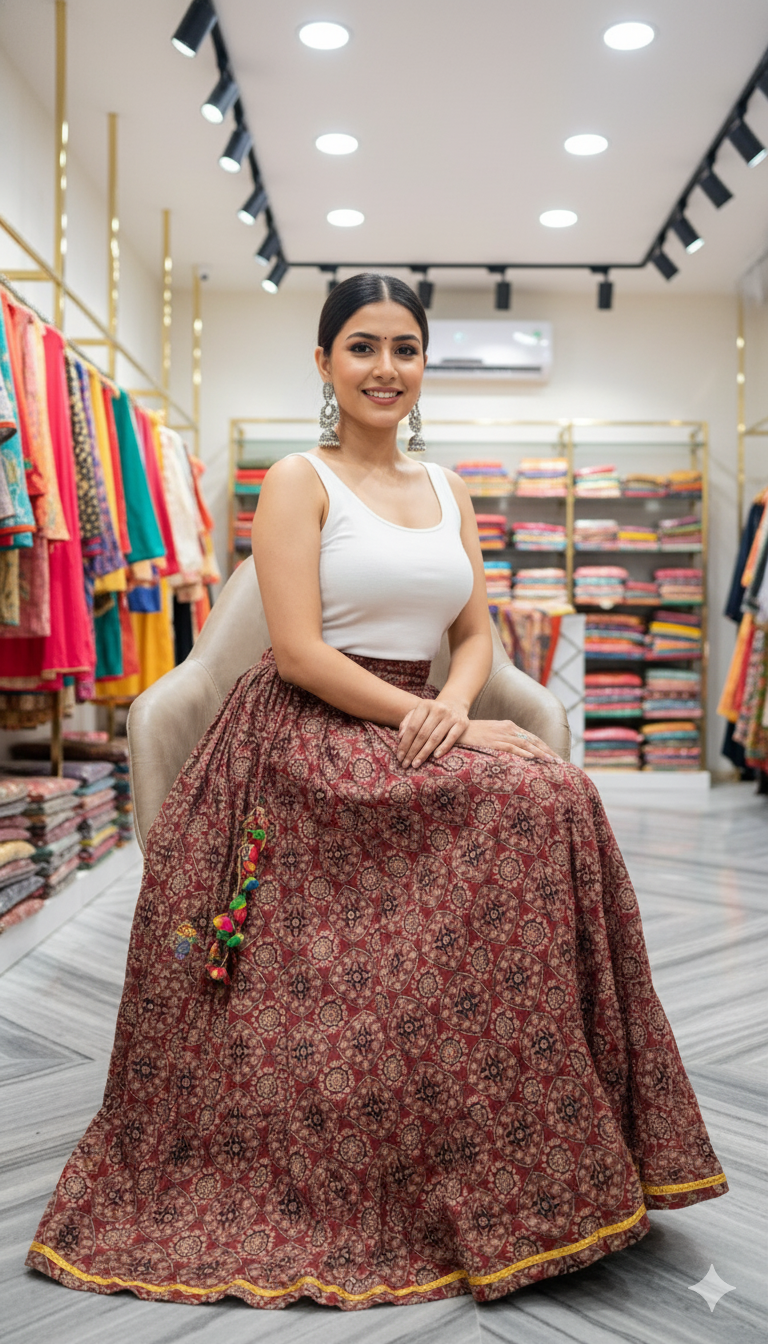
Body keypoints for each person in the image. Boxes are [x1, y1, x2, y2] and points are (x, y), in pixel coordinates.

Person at [27, 273, 726, 1312]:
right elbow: (301, 652)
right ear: (324, 363)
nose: (385, 367)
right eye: (362, 347)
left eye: (404, 348)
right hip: (310, 734)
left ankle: (529, 1134)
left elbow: (477, 629)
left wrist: (453, 702)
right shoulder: (299, 482)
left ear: (422, 365)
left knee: (559, 796)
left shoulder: (447, 491)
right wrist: (419, 720)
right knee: (524, 804)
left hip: (416, 714)